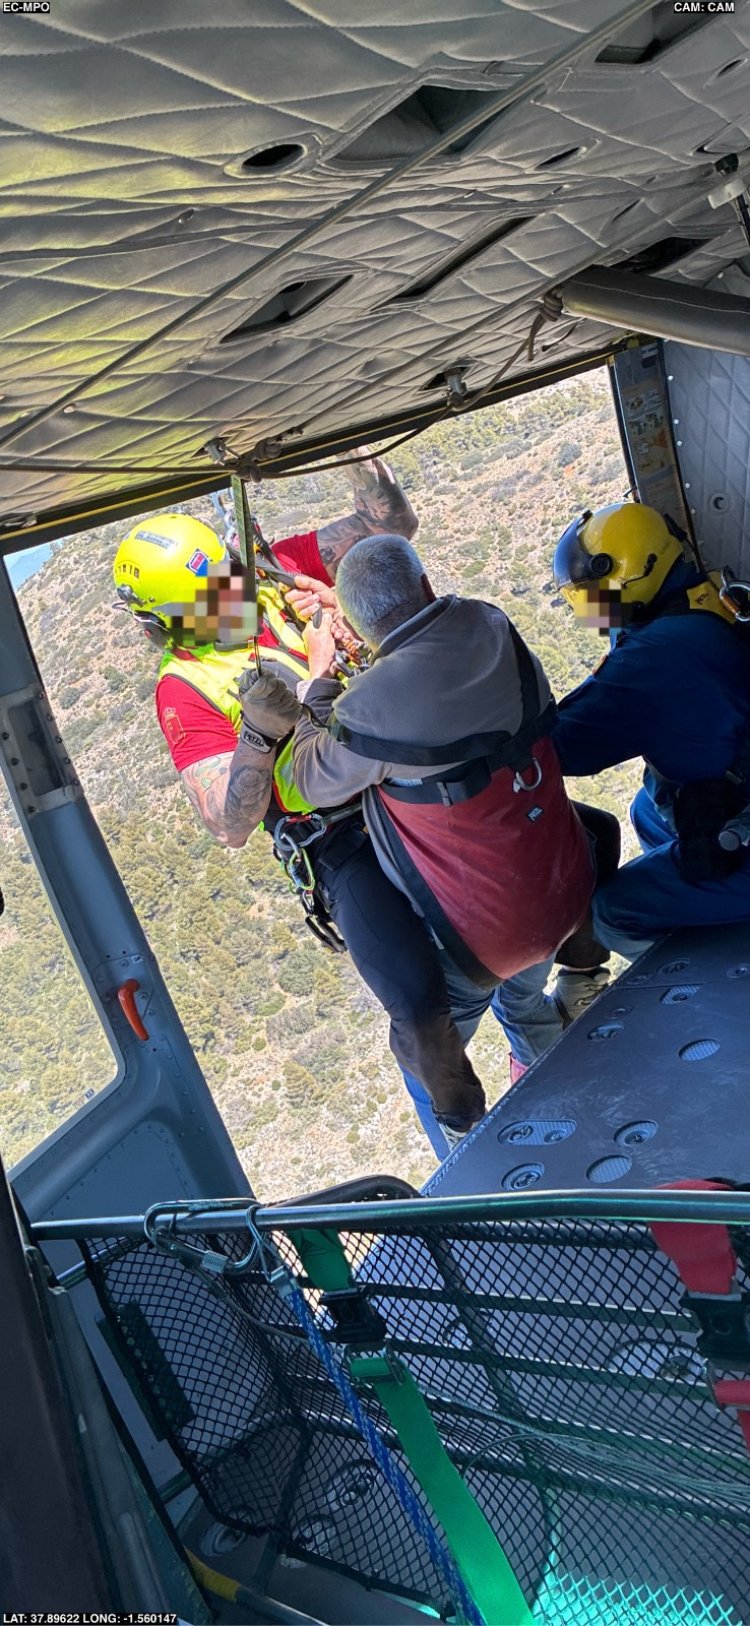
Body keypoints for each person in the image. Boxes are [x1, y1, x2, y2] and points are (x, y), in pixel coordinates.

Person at [113, 457, 497, 1150]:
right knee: (415, 1001)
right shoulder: (185, 687)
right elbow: (228, 823)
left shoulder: (274, 579)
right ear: (164, 625)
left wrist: (356, 462)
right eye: (208, 600)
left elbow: (390, 526)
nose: (231, 601)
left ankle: (548, 1021)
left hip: (400, 771)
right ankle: (465, 1134)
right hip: (336, 834)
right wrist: (258, 734)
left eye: (229, 582)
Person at [242, 534, 598, 1145]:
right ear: (427, 586)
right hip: (565, 886)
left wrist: (317, 685)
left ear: (357, 621)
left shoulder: (374, 707)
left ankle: (460, 1136)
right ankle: (575, 1049)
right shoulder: (491, 624)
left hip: (483, 939)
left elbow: (307, 782)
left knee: (421, 1037)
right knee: (526, 996)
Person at [550, 501, 750, 959]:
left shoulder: (656, 654)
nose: (586, 608)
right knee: (645, 809)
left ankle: (715, 978)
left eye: (589, 591)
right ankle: (702, 901)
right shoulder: (707, 597)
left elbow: (564, 747)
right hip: (735, 787)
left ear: (627, 573)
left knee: (611, 911)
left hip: (743, 822)